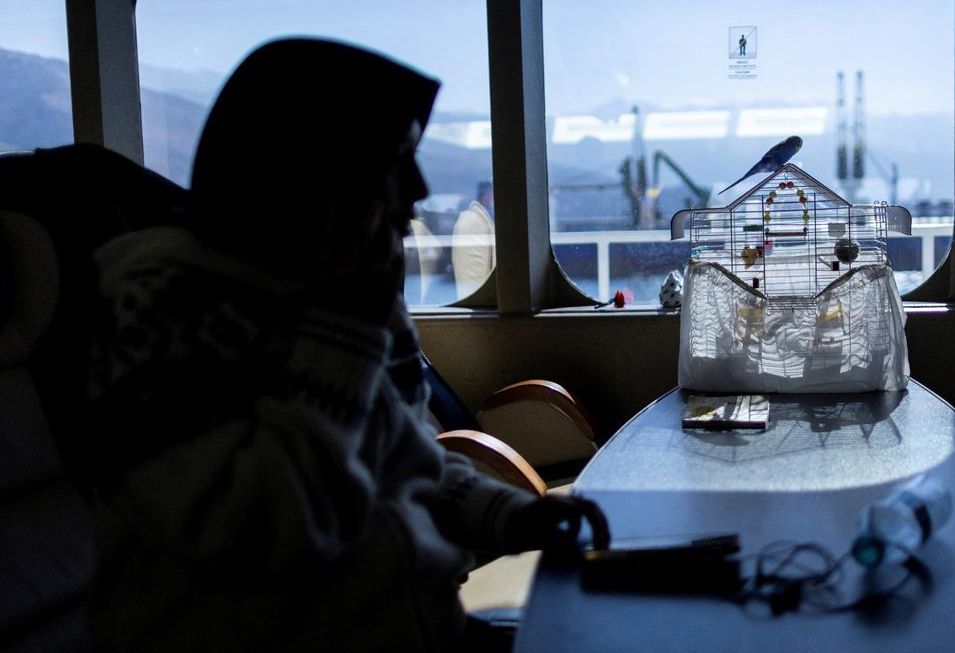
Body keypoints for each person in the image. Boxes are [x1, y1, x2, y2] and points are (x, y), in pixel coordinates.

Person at [85, 38, 607, 652]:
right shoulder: (160, 304)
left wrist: (511, 515)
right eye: (395, 160)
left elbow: (403, 458)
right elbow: (272, 533)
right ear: (312, 171)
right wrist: (346, 329)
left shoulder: (339, 285)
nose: (415, 191)